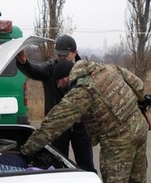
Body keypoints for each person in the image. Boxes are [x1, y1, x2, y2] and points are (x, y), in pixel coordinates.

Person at [21, 59, 149, 183]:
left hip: (118, 142)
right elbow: (139, 85)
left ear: (65, 78)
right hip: (140, 129)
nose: (57, 86)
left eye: (58, 82)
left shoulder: (83, 91)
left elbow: (54, 124)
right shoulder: (109, 68)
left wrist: (26, 150)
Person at [15, 35, 96, 173]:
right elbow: (35, 70)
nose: (61, 58)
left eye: (65, 55)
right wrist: (24, 62)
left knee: (86, 164)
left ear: (75, 53)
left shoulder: (85, 71)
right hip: (58, 127)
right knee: (58, 163)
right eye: (59, 55)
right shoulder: (51, 68)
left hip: (81, 127)